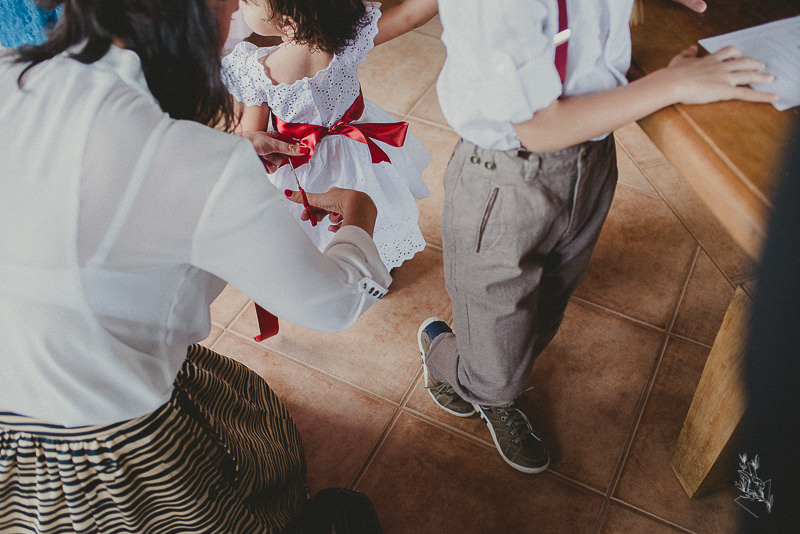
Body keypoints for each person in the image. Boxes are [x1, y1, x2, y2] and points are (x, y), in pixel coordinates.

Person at [0, 0, 391, 531]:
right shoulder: (200, 163)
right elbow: (333, 304)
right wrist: (360, 217)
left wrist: (223, 152)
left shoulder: (10, 71)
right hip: (104, 457)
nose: (234, 12)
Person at [417, 0, 778, 474]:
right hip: (505, 183)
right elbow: (538, 126)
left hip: (590, 159)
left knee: (546, 303)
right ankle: (458, 365)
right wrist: (671, 84)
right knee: (498, 356)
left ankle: (490, 369)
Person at [221, 0, 438, 270]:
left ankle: (322, 270)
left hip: (299, 166)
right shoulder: (347, 40)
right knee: (368, 204)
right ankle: (373, 260)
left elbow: (250, 136)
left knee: (306, 220)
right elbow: (411, 17)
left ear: (289, 23)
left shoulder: (258, 70)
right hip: (359, 151)